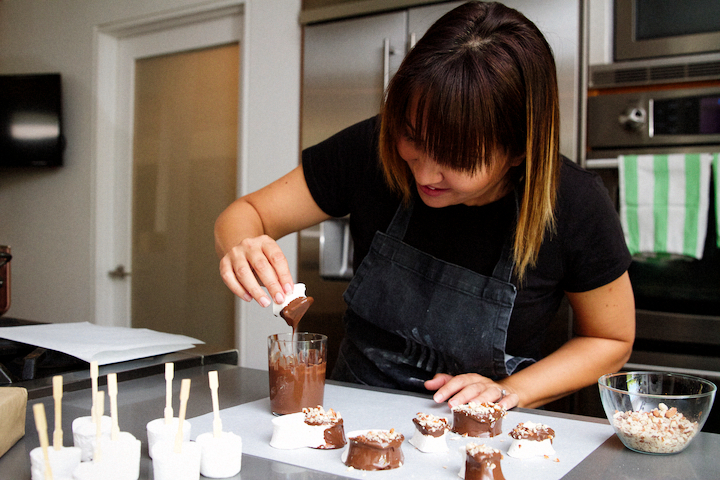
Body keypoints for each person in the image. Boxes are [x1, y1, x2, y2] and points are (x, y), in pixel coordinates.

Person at [214, 1, 635, 410]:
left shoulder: (574, 204)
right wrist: (243, 245)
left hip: (477, 438)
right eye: (412, 138)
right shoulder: (371, 149)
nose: (424, 175)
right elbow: (247, 214)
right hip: (352, 418)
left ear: (518, 150)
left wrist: (512, 391)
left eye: (455, 157)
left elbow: (610, 340)